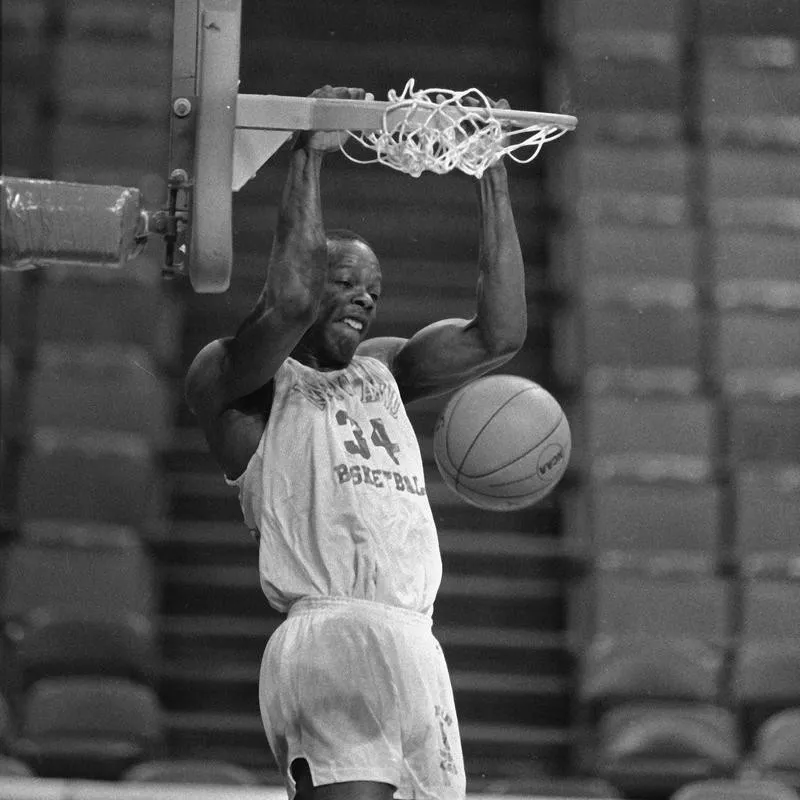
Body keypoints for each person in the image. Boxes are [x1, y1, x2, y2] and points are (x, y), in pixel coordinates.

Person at [185, 85, 528, 800]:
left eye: (374, 289)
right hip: (330, 638)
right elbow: (288, 304)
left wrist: (490, 169)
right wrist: (312, 148)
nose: (366, 298)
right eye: (347, 281)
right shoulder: (237, 378)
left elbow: (500, 335)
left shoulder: (386, 371)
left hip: (416, 645)